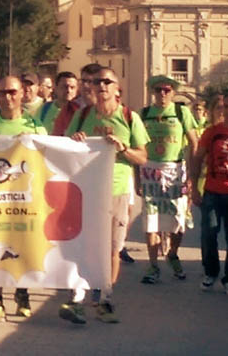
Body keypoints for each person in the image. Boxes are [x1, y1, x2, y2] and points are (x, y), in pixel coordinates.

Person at [60, 67, 149, 324]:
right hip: (87, 191)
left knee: (112, 248)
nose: (101, 86)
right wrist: (75, 140)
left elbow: (142, 157)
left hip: (117, 190)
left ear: (117, 88)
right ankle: (78, 298)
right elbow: (65, 148)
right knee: (84, 245)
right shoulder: (82, 115)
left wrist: (123, 149)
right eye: (97, 81)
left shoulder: (129, 117)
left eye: (107, 81)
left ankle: (105, 299)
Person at [0, 76, 45, 323]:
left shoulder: (34, 124)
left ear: (22, 93)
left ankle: (22, 295)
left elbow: (47, 158)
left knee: (21, 246)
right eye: (3, 92)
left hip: (24, 199)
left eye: (13, 92)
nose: (8, 97)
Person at [138, 76, 198, 284]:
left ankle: (172, 254)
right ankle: (153, 265)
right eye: (158, 90)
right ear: (152, 92)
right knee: (151, 220)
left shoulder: (181, 112)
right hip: (150, 170)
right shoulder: (144, 114)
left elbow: (194, 143)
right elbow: (137, 145)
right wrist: (137, 177)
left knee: (178, 220)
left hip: (175, 170)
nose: (162, 94)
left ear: (173, 92)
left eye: (166, 90)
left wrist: (192, 174)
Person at [190, 93, 228, 293]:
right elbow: (197, 159)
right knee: (209, 234)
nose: (225, 110)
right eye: (224, 106)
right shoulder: (211, 133)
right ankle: (211, 272)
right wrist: (194, 187)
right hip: (212, 191)